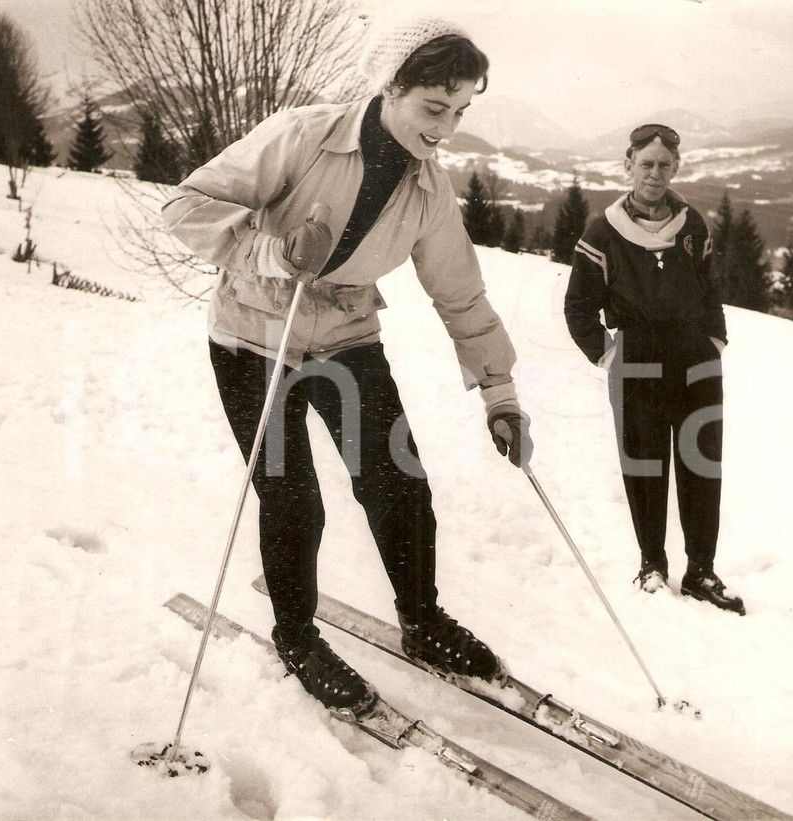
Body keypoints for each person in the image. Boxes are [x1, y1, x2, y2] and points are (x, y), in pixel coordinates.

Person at [162, 16, 534, 716]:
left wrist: (501, 392)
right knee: (293, 496)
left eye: (459, 112)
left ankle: (421, 621)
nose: (446, 128)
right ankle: (297, 635)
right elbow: (184, 205)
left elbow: (460, 293)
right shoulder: (304, 134)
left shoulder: (429, 187)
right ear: (390, 88)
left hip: (343, 337)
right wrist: (271, 252)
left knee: (399, 480)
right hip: (253, 338)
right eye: (434, 108)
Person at [564, 124, 745, 615]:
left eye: (665, 165)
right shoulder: (602, 232)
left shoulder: (693, 226)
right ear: (628, 167)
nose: (655, 173)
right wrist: (607, 352)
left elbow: (710, 291)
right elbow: (578, 307)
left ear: (676, 169)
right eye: (646, 164)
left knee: (700, 462)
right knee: (645, 465)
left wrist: (713, 340)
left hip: (694, 359)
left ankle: (701, 571)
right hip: (638, 358)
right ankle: (652, 566)